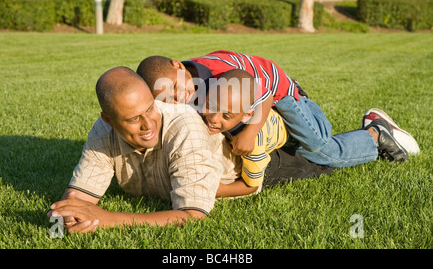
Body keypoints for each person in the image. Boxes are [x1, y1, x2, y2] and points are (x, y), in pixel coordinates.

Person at [48, 66, 335, 234]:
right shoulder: (104, 131)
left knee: (323, 159)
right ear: (108, 119)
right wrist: (69, 212)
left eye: (151, 108)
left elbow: (191, 214)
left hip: (244, 163)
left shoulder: (183, 127)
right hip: (206, 155)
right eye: (134, 118)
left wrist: (108, 219)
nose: (149, 123)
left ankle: (371, 135)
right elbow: (79, 195)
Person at [136, 50, 418, 170]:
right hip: (259, 106)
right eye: (169, 97)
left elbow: (266, 94)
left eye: (177, 88)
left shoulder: (217, 72)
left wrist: (251, 132)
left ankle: (375, 134)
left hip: (286, 99)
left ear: (177, 65)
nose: (179, 96)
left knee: (321, 150)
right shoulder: (186, 85)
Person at [202, 69, 289, 197]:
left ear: (246, 115)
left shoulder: (254, 143)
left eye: (226, 116)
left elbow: (251, 186)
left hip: (284, 131)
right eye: (211, 106)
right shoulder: (225, 106)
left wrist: (217, 190)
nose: (213, 118)